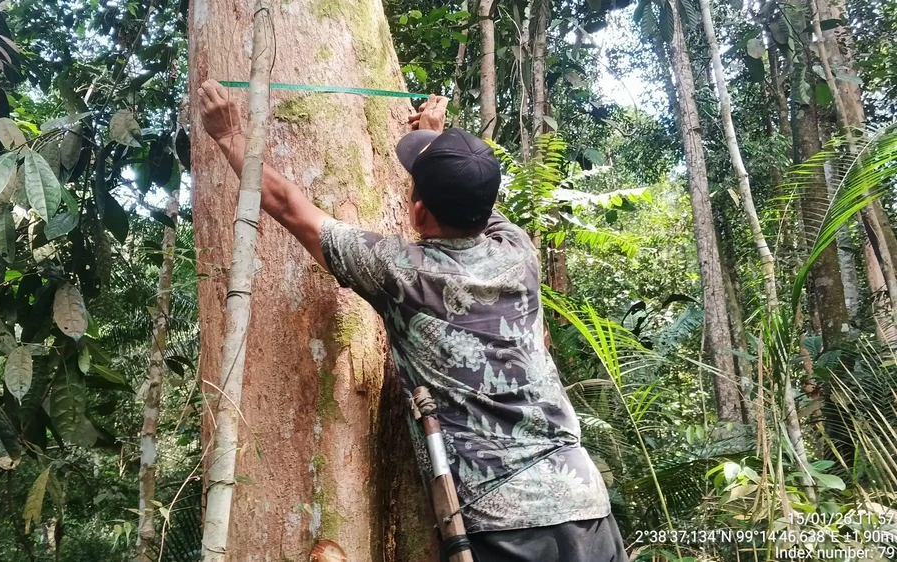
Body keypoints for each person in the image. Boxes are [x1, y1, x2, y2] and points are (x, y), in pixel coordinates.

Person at [197, 79, 628, 562]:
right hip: (586, 503)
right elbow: (476, 200)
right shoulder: (520, 253)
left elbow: (291, 208)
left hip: (503, 526)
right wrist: (440, 140)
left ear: (418, 213)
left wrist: (229, 136)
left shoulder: (401, 273)